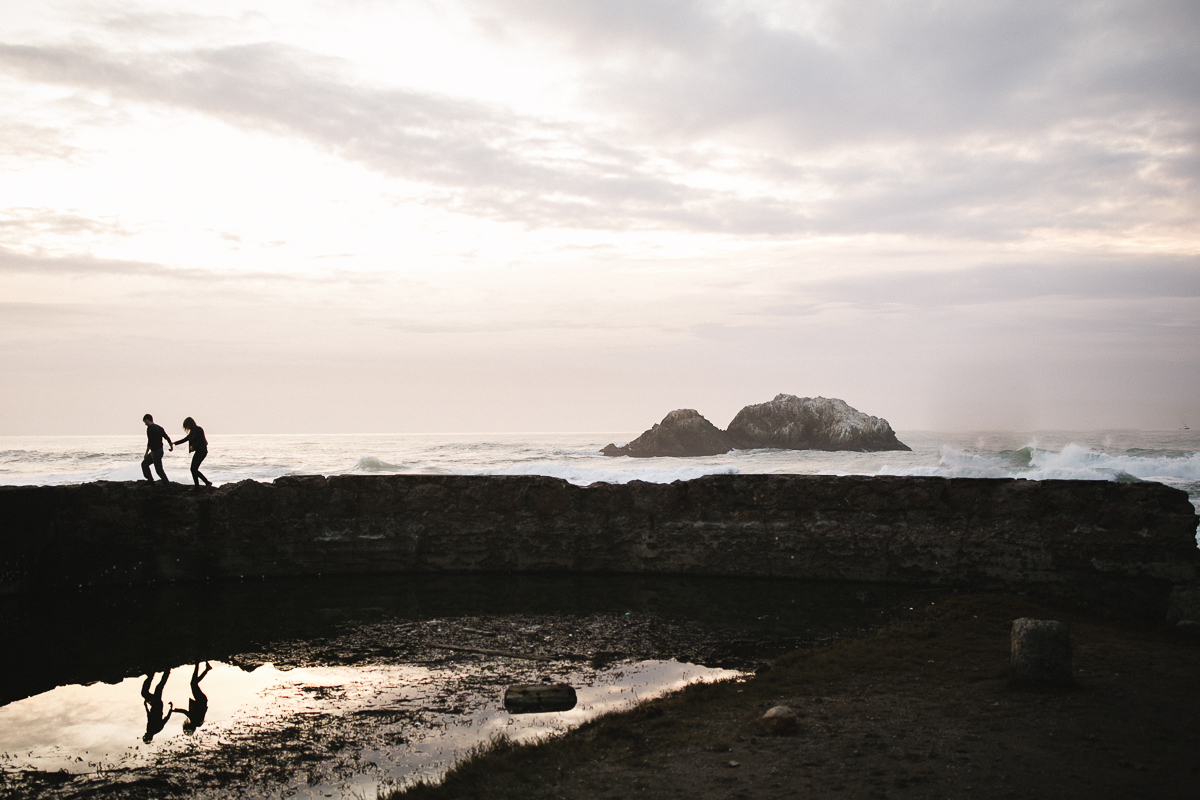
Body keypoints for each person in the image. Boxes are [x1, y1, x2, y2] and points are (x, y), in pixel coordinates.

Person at [171, 661, 212, 734]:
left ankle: (206, 669)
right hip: (200, 700)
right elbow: (185, 712)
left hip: (202, 700)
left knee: (194, 683)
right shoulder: (194, 720)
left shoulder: (198, 723)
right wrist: (174, 710)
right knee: (193, 683)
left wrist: (175, 710)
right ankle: (198, 664)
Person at [173, 417, 212, 487]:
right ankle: (200, 485)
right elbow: (185, 439)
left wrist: (193, 446)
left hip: (202, 451)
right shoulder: (192, 432)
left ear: (190, 424)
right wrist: (174, 443)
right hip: (198, 451)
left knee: (193, 469)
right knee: (193, 469)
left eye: (187, 426)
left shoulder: (199, 429)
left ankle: (205, 483)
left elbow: (202, 440)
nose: (186, 428)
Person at [141, 670, 173, 743]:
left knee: (145, 693)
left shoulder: (150, 729)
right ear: (149, 737)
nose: (145, 735)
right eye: (145, 737)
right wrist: (170, 708)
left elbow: (149, 716)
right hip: (157, 705)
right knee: (158, 688)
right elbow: (166, 719)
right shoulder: (156, 729)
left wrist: (146, 706)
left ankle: (151, 675)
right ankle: (167, 672)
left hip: (154, 705)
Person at [141, 414, 173, 483]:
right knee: (145, 464)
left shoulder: (150, 428)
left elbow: (150, 442)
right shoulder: (160, 428)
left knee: (159, 470)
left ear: (147, 420)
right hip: (160, 451)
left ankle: (167, 485)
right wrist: (171, 446)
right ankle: (151, 480)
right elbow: (167, 437)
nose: (145, 424)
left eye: (145, 422)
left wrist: (146, 453)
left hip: (155, 453)